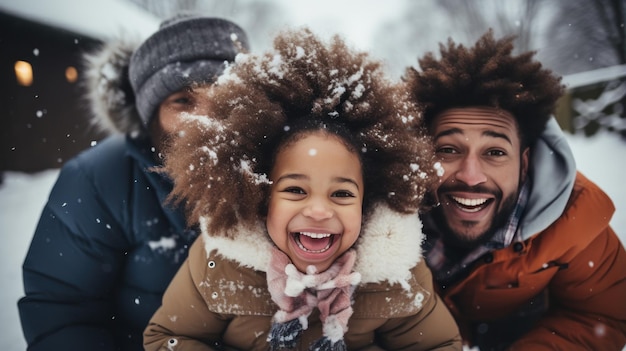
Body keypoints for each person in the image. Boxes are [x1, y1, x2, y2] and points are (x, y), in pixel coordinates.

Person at [143, 28, 462, 351]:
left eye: (342, 194)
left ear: (367, 203)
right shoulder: (221, 260)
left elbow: (440, 344)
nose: (319, 210)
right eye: (296, 190)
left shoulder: (395, 272)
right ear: (262, 198)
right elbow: (167, 338)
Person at [18, 14, 249, 351]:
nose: (206, 121)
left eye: (223, 95)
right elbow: (64, 312)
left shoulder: (282, 168)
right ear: (152, 113)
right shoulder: (99, 178)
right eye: (183, 101)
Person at [403, 29, 626, 350]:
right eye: (449, 149)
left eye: (494, 152)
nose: (471, 176)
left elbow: (601, 316)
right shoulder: (381, 219)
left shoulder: (576, 219)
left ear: (524, 164)